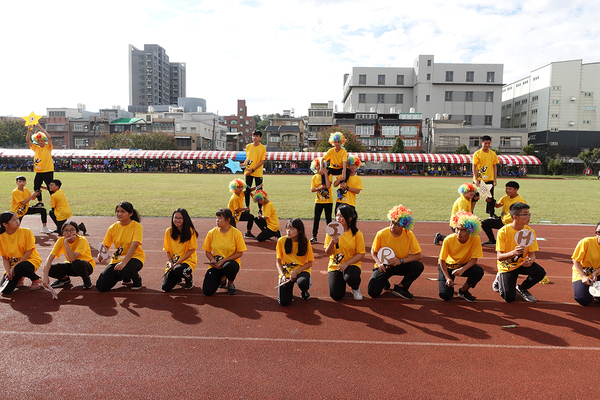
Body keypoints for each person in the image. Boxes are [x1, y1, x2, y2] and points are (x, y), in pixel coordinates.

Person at [368, 205, 424, 299]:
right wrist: (379, 263)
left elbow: (418, 256)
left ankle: (401, 288)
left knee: (418, 266)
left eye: (397, 224)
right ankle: (384, 281)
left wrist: (401, 261)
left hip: (400, 264)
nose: (393, 226)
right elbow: (373, 252)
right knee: (372, 293)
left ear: (404, 225)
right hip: (385, 266)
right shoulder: (381, 234)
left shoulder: (409, 235)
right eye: (392, 222)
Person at [495, 202, 546, 302]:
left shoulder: (530, 231)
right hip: (507, 266)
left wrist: (530, 261)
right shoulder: (503, 232)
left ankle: (522, 288)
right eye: (525, 214)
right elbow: (499, 257)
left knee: (540, 272)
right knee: (509, 298)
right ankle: (499, 278)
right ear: (515, 217)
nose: (528, 217)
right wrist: (513, 253)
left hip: (522, 264)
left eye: (529, 214)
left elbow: (532, 254)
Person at [96, 202, 145, 291]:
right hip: (117, 259)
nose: (119, 214)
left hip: (135, 257)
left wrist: (123, 263)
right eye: (117, 211)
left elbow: (134, 246)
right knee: (101, 286)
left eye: (123, 211)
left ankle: (136, 279)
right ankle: (124, 276)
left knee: (125, 269)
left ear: (130, 214)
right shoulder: (112, 228)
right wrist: (101, 253)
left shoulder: (137, 226)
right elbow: (106, 244)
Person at [438, 211, 484, 302]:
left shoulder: (475, 239)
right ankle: (448, 283)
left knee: (478, 271)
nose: (459, 232)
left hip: (462, 265)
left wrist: (462, 269)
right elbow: (441, 260)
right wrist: (447, 278)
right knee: (445, 296)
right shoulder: (448, 240)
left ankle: (463, 291)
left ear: (470, 230)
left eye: (463, 230)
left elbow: (474, 260)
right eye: (457, 229)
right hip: (447, 266)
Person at [202, 208, 246, 296]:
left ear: (228, 220)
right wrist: (212, 260)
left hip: (230, 263)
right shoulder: (211, 233)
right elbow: (207, 251)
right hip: (216, 264)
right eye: (216, 218)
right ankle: (221, 278)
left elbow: (240, 253)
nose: (217, 220)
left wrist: (224, 261)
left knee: (229, 266)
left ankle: (230, 283)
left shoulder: (236, 233)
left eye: (219, 218)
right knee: (207, 291)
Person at [324, 205, 365, 301]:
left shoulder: (357, 234)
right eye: (337, 215)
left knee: (351, 277)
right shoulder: (331, 231)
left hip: (352, 264)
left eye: (341, 216)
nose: (338, 218)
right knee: (336, 295)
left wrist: (346, 264)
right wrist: (332, 243)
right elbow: (328, 253)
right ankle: (341, 280)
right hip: (335, 265)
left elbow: (361, 254)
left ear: (349, 218)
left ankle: (355, 288)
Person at [42, 221, 95, 290]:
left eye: (72, 230)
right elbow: (49, 258)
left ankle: (86, 279)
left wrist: (66, 242)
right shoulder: (61, 240)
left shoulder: (82, 240)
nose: (69, 233)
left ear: (76, 232)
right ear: (62, 232)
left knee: (77, 263)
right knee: (48, 269)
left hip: (86, 266)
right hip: (72, 265)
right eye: (66, 230)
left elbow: (72, 258)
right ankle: (64, 279)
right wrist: (45, 277)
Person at [0, 211, 43, 294]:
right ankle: (19, 276)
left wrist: (14, 267)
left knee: (20, 267)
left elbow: (29, 251)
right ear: (5, 224)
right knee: (5, 290)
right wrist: (8, 271)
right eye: (14, 220)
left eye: (17, 219)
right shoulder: (1, 237)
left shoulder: (26, 232)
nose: (17, 221)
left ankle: (36, 279)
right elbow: (4, 258)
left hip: (30, 261)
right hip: (14, 266)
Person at [276, 218, 314, 305]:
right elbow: (278, 262)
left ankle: (304, 290)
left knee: (303, 282)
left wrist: (296, 271)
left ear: (299, 231)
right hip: (286, 272)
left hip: (301, 270)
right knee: (284, 302)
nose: (288, 231)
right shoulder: (281, 241)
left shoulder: (306, 242)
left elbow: (310, 263)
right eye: (287, 228)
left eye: (292, 228)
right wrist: (282, 276)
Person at [162, 208, 198, 292]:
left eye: (180, 218)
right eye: (175, 217)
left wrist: (178, 262)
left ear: (185, 219)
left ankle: (188, 278)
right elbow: (167, 250)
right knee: (165, 288)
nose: (177, 220)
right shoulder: (168, 231)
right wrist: (170, 262)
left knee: (178, 269)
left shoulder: (190, 232)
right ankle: (177, 276)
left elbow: (192, 250)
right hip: (174, 262)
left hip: (187, 261)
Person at [481, 181, 526, 246]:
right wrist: (491, 201)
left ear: (516, 190)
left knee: (508, 243)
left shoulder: (520, 200)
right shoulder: (506, 197)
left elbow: (523, 213)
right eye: (506, 189)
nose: (507, 190)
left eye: (510, 189)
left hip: (512, 224)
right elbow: (497, 205)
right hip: (502, 221)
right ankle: (492, 241)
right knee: (485, 223)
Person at [571, 223, 600, 306]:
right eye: (599, 232)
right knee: (582, 299)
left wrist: (595, 273)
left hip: (597, 273)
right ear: (596, 233)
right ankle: (591, 294)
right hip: (582, 272)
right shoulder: (586, 242)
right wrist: (583, 276)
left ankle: (597, 295)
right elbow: (575, 260)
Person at [26, 123, 54, 207]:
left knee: (50, 188)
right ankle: (40, 202)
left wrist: (40, 127)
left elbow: (49, 137)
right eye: (38, 141)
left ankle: (54, 202)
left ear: (44, 140)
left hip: (48, 170)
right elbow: (28, 140)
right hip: (39, 171)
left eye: (41, 140)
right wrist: (29, 130)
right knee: (36, 187)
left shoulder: (48, 147)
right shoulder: (36, 148)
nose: (40, 142)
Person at [472, 135, 498, 218]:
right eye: (485, 143)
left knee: (490, 197)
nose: (487, 145)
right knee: (475, 197)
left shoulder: (493, 153)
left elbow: (494, 166)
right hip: (479, 179)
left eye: (489, 143)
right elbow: (474, 166)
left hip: (489, 179)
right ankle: (471, 212)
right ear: (481, 143)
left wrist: (495, 179)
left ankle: (491, 214)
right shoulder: (477, 154)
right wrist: (476, 179)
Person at [242, 130, 266, 211]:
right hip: (248, 171)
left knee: (259, 192)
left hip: (258, 173)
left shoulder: (263, 147)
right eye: (253, 136)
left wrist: (253, 169)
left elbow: (262, 161)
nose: (254, 138)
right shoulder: (248, 146)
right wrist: (243, 164)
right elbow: (248, 158)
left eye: (256, 136)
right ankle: (247, 208)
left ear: (260, 137)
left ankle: (260, 210)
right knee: (247, 190)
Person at [310, 158, 332, 243]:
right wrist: (320, 187)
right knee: (316, 219)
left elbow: (328, 185)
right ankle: (314, 236)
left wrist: (326, 174)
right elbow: (312, 189)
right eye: (318, 167)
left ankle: (330, 236)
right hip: (318, 201)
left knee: (328, 219)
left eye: (321, 166)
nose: (319, 168)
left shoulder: (328, 175)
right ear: (315, 168)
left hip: (328, 201)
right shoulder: (314, 177)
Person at [320, 132, 348, 199]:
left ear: (341, 142)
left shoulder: (344, 151)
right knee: (325, 170)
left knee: (347, 171)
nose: (337, 143)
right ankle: (325, 189)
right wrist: (321, 167)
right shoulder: (331, 150)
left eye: (338, 142)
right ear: (333, 142)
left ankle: (341, 189)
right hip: (332, 168)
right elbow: (322, 159)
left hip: (340, 168)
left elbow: (344, 162)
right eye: (335, 142)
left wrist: (343, 173)